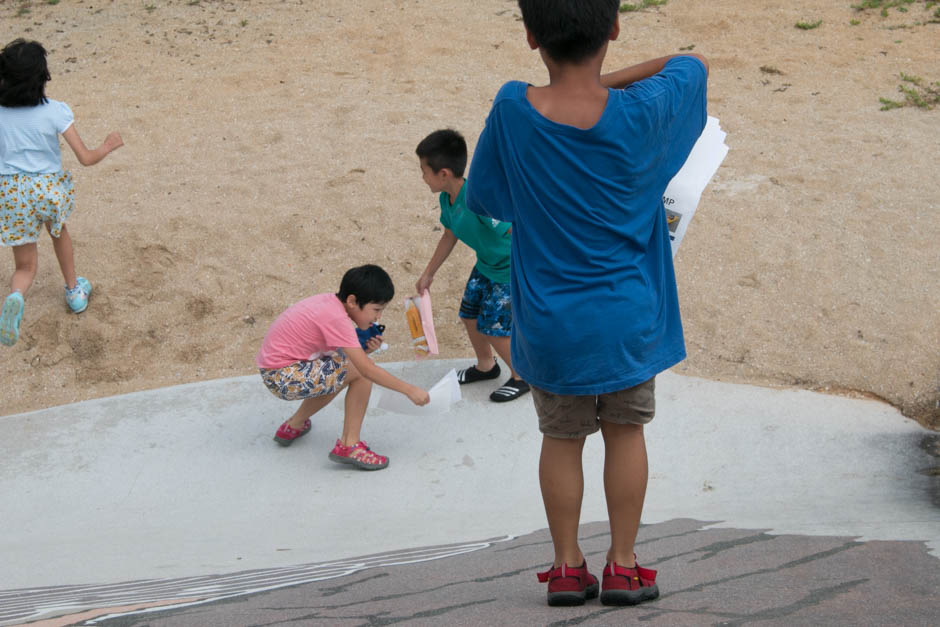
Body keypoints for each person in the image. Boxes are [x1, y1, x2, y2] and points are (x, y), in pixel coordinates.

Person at [465, 0, 709, 607]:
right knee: (626, 433)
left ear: (529, 35)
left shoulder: (511, 108)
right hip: (628, 317)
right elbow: (692, 63)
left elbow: (490, 198)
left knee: (561, 439)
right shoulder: (643, 112)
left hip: (550, 323)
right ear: (615, 28)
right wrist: (610, 78)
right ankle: (624, 567)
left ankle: (567, 567)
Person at [0, 39, 123, 346]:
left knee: (25, 265)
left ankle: (16, 295)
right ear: (43, 78)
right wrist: (107, 145)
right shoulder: (55, 111)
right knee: (59, 232)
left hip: (12, 192)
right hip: (47, 189)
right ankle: (74, 292)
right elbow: (86, 158)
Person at [257, 264, 430, 471]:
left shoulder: (330, 304)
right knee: (359, 373)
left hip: (278, 371)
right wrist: (410, 390)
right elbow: (365, 369)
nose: (378, 318)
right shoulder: (337, 318)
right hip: (283, 377)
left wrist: (363, 353)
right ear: (352, 301)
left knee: (344, 373)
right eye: (376, 310)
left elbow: (339, 360)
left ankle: (293, 425)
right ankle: (350, 445)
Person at [414, 129, 529, 403]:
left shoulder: (480, 199)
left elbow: (514, 228)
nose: (422, 177)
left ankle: (522, 376)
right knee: (469, 315)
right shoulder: (446, 198)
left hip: (508, 270)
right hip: (486, 265)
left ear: (443, 174)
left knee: (494, 327)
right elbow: (449, 233)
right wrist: (428, 273)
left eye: (423, 171)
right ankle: (486, 366)